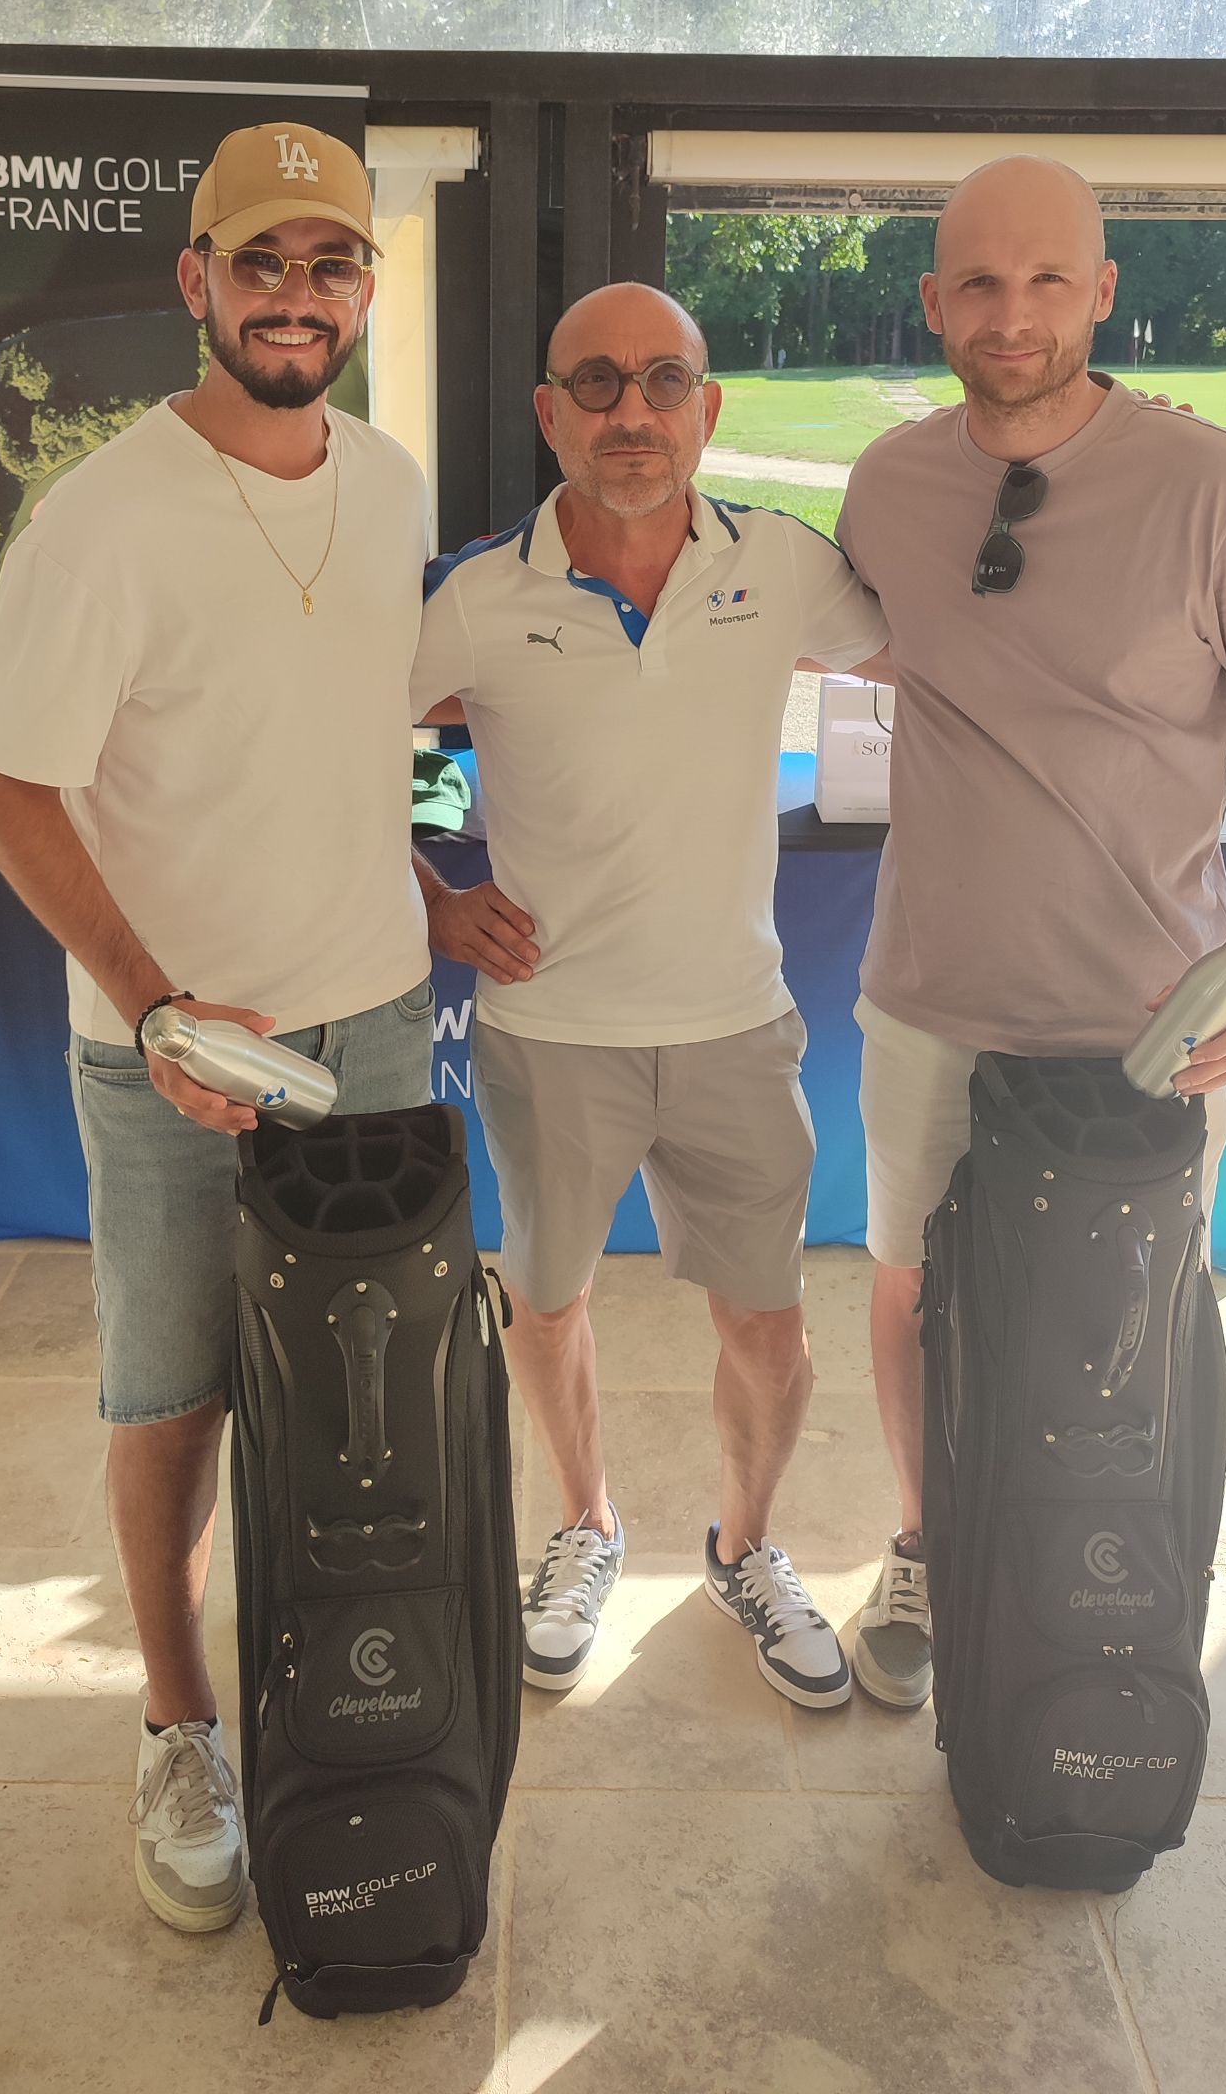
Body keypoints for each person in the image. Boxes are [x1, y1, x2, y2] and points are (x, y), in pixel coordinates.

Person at [0, 123, 437, 1932]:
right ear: (197, 282)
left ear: (366, 291)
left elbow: (334, 737)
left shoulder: (389, 486)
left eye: (330, 264)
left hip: (373, 1018)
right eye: (261, 263)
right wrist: (155, 1003)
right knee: (174, 1397)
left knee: (362, 1389)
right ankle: (179, 1725)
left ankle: (349, 1685)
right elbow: (11, 794)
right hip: (171, 1054)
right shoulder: (101, 520)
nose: (295, 298)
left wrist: (428, 885)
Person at [834, 156, 1226, 1711]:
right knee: (912, 1286)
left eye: (1049, 280)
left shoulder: (1208, 483)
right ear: (934, 302)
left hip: (1148, 1015)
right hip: (932, 992)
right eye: (981, 284)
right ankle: (929, 1542)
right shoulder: (888, 486)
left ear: (1104, 292)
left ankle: (1111, 1570)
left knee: (1135, 1321)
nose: (1014, 315)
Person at [411, 282, 891, 1709]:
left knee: (771, 1330)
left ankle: (745, 1546)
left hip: (737, 1022)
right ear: (548, 413)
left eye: (664, 380)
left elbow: (954, 640)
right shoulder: (475, 595)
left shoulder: (784, 565)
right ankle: (587, 1525)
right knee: (547, 1301)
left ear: (708, 408)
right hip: (550, 1031)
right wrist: (430, 894)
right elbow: (331, 738)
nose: (633, 411)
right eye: (598, 383)